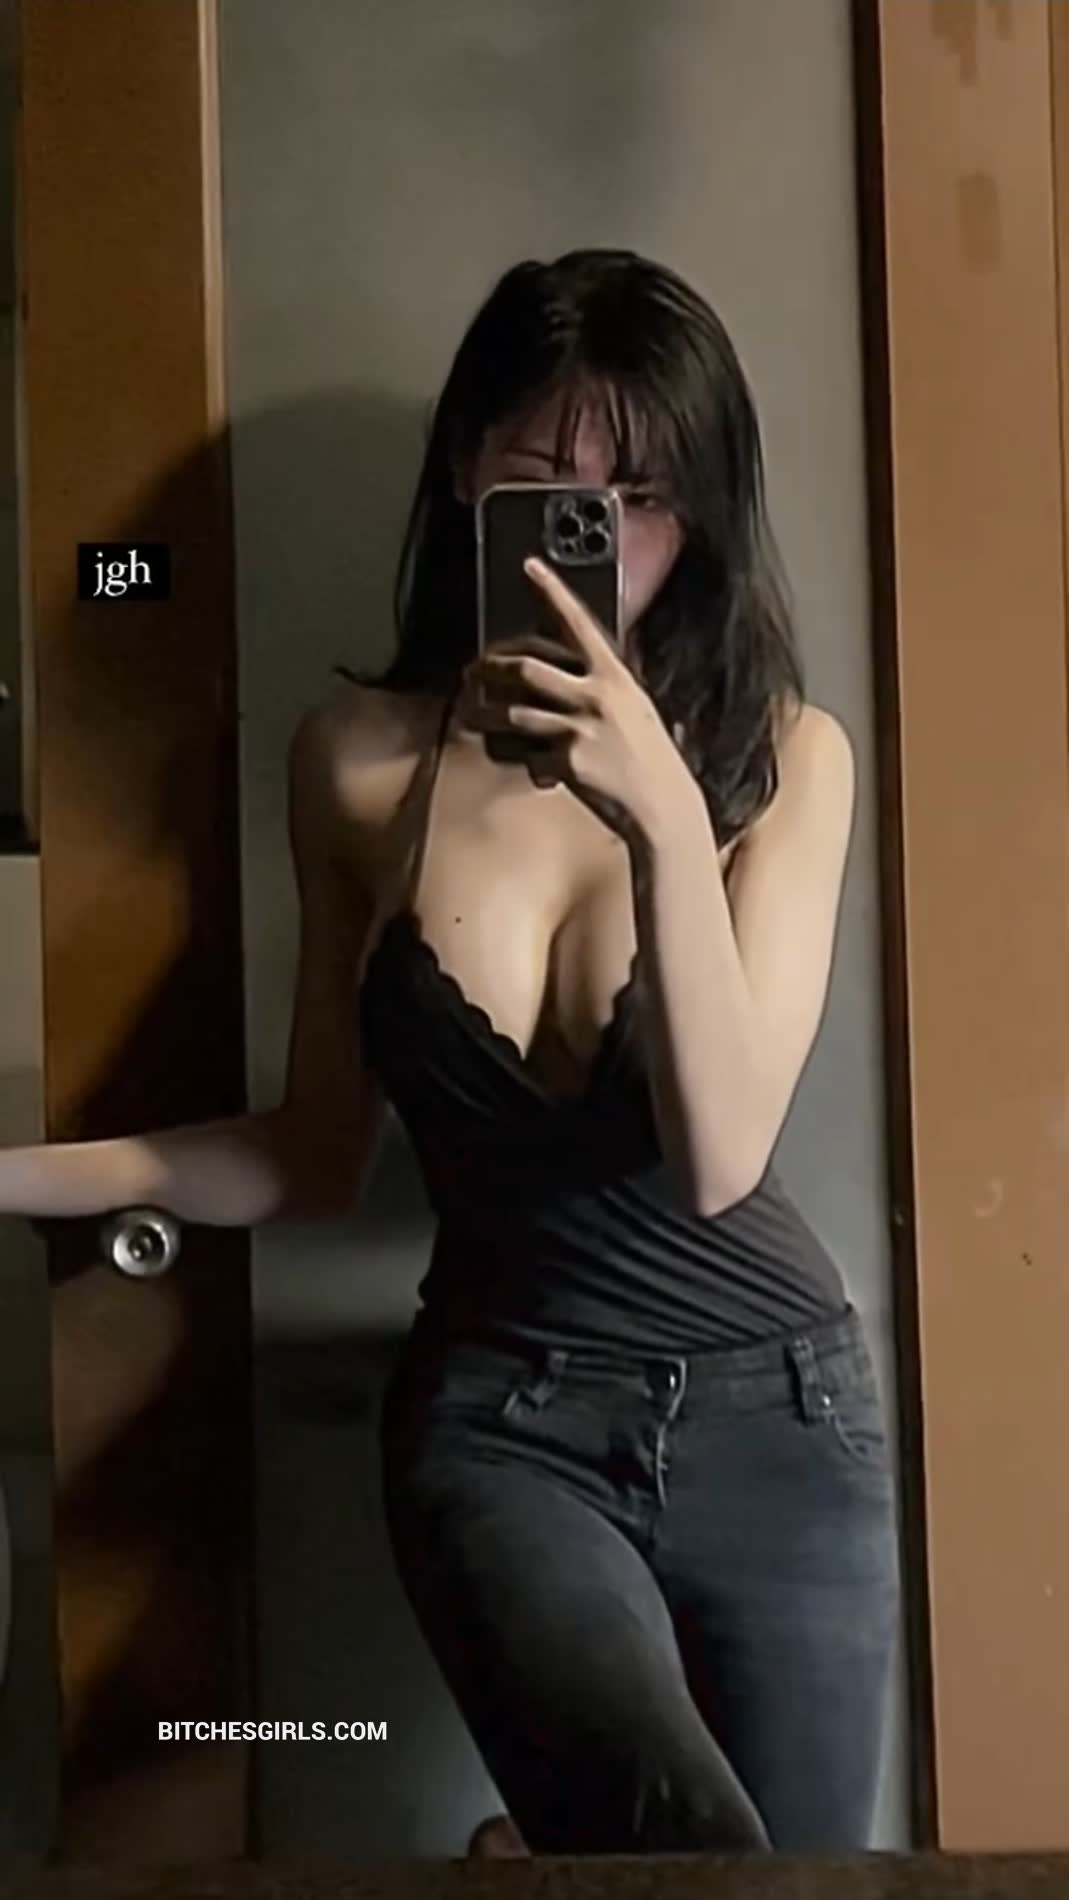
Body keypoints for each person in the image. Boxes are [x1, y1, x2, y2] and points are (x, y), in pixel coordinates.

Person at [0, 248, 899, 1857]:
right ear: (468, 471)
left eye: (638, 497)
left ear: (698, 518)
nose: (587, 533)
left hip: (785, 1412)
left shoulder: (782, 760)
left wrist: (661, 817)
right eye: (540, 479)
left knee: (810, 1879)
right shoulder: (355, 766)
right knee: (683, 1846)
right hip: (503, 1419)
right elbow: (309, 1157)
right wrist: (14, 1174)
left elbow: (717, 1159)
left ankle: (519, 1864)